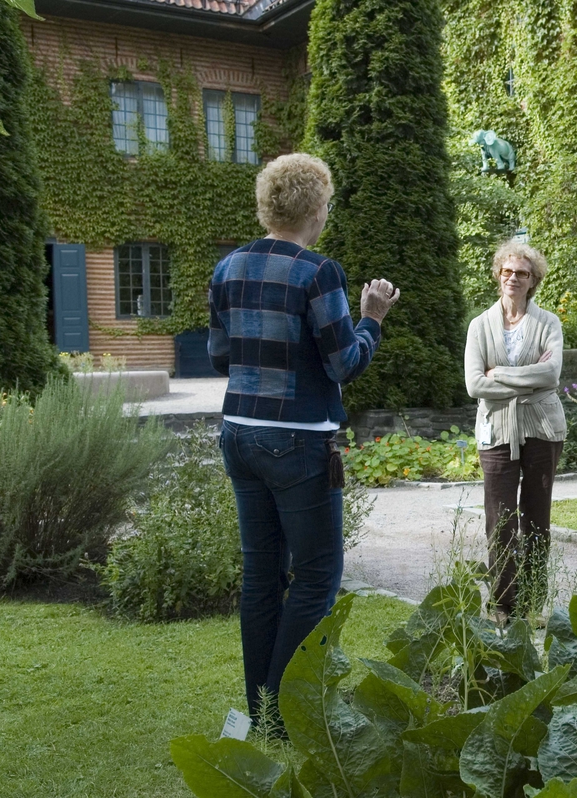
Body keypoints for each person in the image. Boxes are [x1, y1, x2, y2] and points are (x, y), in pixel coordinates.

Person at [208, 153, 400, 722]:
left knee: (262, 575)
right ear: (316, 208)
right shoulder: (319, 272)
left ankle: (263, 712)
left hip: (238, 434)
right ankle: (286, 714)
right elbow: (344, 364)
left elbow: (221, 356)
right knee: (317, 576)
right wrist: (373, 317)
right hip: (299, 441)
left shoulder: (228, 268)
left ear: (270, 205)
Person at [464, 242, 566, 617]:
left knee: (536, 518)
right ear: (498, 275)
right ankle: (504, 602)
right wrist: (528, 379)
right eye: (507, 271)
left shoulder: (548, 323)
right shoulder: (479, 326)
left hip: (542, 428)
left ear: (533, 280)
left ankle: (533, 603)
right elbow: (474, 384)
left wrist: (500, 373)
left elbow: (551, 374)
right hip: (495, 432)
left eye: (521, 273)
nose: (513, 278)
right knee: (500, 520)